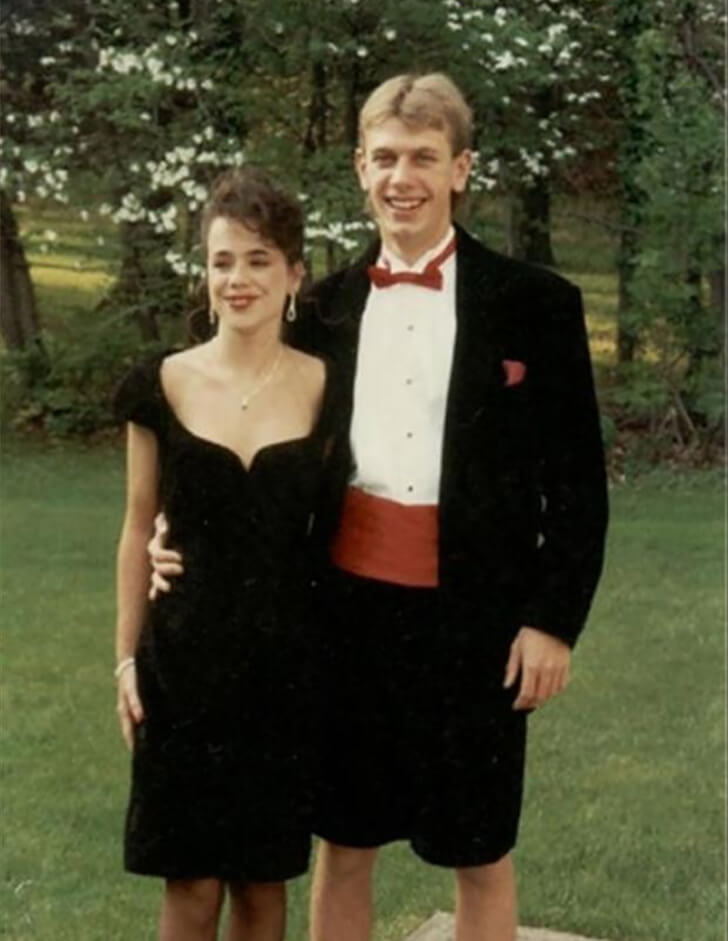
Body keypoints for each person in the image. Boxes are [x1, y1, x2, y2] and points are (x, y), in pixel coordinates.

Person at [150, 73, 608, 941]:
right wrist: (172, 532)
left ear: (461, 169)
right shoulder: (321, 309)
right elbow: (244, 430)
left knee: (479, 847)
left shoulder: (536, 304)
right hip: (343, 614)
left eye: (424, 158)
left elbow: (580, 484)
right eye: (387, 157)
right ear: (361, 167)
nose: (404, 177)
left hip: (480, 619)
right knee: (345, 839)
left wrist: (553, 621)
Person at [113, 166, 341, 941]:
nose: (238, 278)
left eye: (257, 260)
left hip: (285, 672)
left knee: (262, 884)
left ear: (293, 274)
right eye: (222, 261)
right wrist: (124, 660)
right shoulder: (161, 383)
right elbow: (136, 525)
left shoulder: (327, 388)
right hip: (181, 666)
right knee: (190, 882)